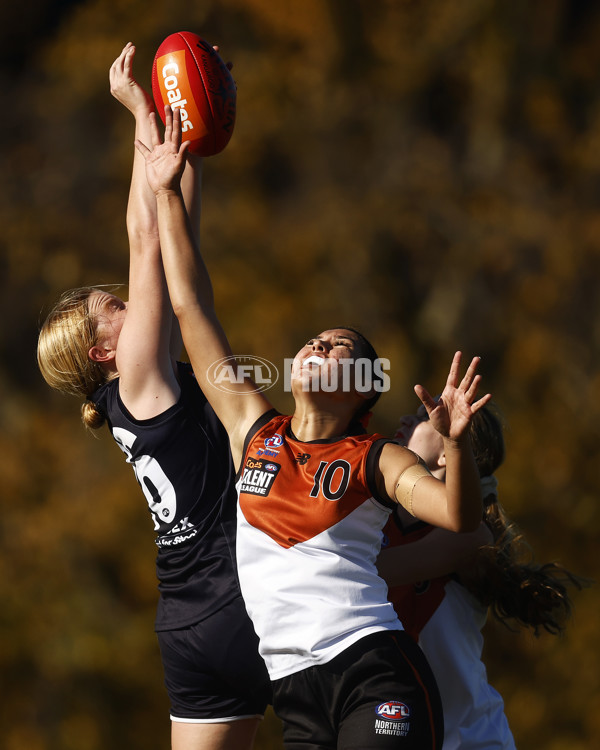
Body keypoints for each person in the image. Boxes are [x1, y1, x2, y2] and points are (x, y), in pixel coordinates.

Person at [135, 104, 495, 750]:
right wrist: (166, 193)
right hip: (296, 693)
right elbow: (190, 303)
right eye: (315, 339)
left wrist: (461, 445)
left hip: (375, 673)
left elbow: (458, 517)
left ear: (363, 388)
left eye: (340, 347)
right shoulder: (254, 429)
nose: (320, 346)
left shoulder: (374, 459)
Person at [37, 43, 270, 750]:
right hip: (244, 597)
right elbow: (147, 238)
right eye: (110, 309)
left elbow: (176, 237)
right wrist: (145, 109)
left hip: (186, 624)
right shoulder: (136, 376)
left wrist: (181, 135)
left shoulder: (132, 396)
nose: (123, 303)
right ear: (101, 351)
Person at [378, 402, 586, 749]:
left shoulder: (469, 536)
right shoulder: (376, 519)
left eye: (420, 419)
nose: (404, 420)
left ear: (448, 454)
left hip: (471, 740)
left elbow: (366, 573)